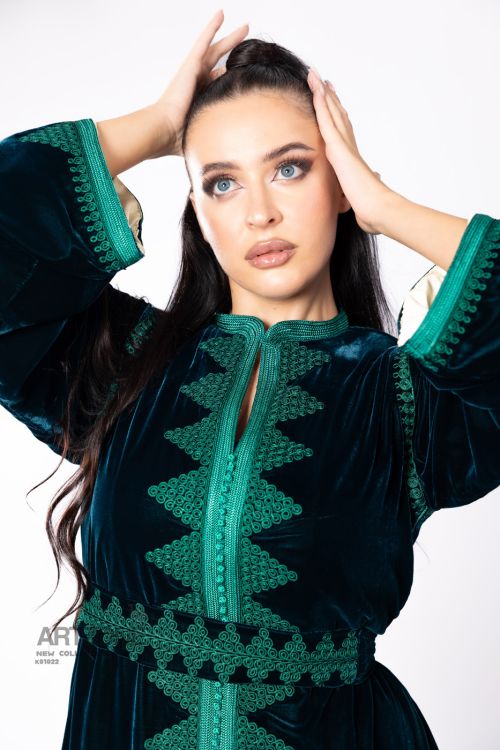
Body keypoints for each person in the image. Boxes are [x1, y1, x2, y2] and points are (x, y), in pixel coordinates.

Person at [1, 8, 499, 750]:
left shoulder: (406, 402)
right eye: (223, 183)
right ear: (197, 211)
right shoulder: (122, 368)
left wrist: (384, 205)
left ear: (338, 182)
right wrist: (156, 125)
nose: (260, 212)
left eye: (291, 168)